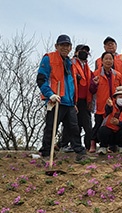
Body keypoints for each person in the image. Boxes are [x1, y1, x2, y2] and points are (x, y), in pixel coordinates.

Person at [36, 34, 86, 162]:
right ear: (56, 46)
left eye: (67, 45)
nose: (64, 47)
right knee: (51, 127)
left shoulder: (70, 63)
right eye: (62, 45)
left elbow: (71, 83)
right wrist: (49, 94)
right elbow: (41, 79)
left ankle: (79, 151)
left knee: (74, 127)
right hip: (55, 99)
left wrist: (74, 101)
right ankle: (46, 152)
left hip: (69, 101)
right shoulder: (49, 58)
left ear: (70, 47)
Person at [90, 51, 122, 154]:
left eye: (110, 59)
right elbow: (91, 90)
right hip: (100, 104)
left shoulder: (117, 75)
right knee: (98, 124)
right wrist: (94, 84)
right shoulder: (96, 74)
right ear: (102, 61)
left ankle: (110, 145)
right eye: (106, 59)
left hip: (114, 105)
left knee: (112, 125)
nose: (108, 61)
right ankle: (92, 143)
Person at [69, 44, 93, 152]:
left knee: (87, 125)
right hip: (73, 98)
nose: (84, 52)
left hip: (85, 100)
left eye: (86, 51)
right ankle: (71, 145)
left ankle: (88, 146)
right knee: (73, 125)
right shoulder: (70, 63)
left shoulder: (87, 67)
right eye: (82, 50)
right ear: (76, 52)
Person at [97, 86, 122, 155]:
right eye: (120, 97)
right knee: (103, 130)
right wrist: (109, 106)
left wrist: (119, 123)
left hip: (120, 133)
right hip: (109, 132)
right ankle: (103, 147)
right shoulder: (110, 105)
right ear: (115, 98)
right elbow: (106, 112)